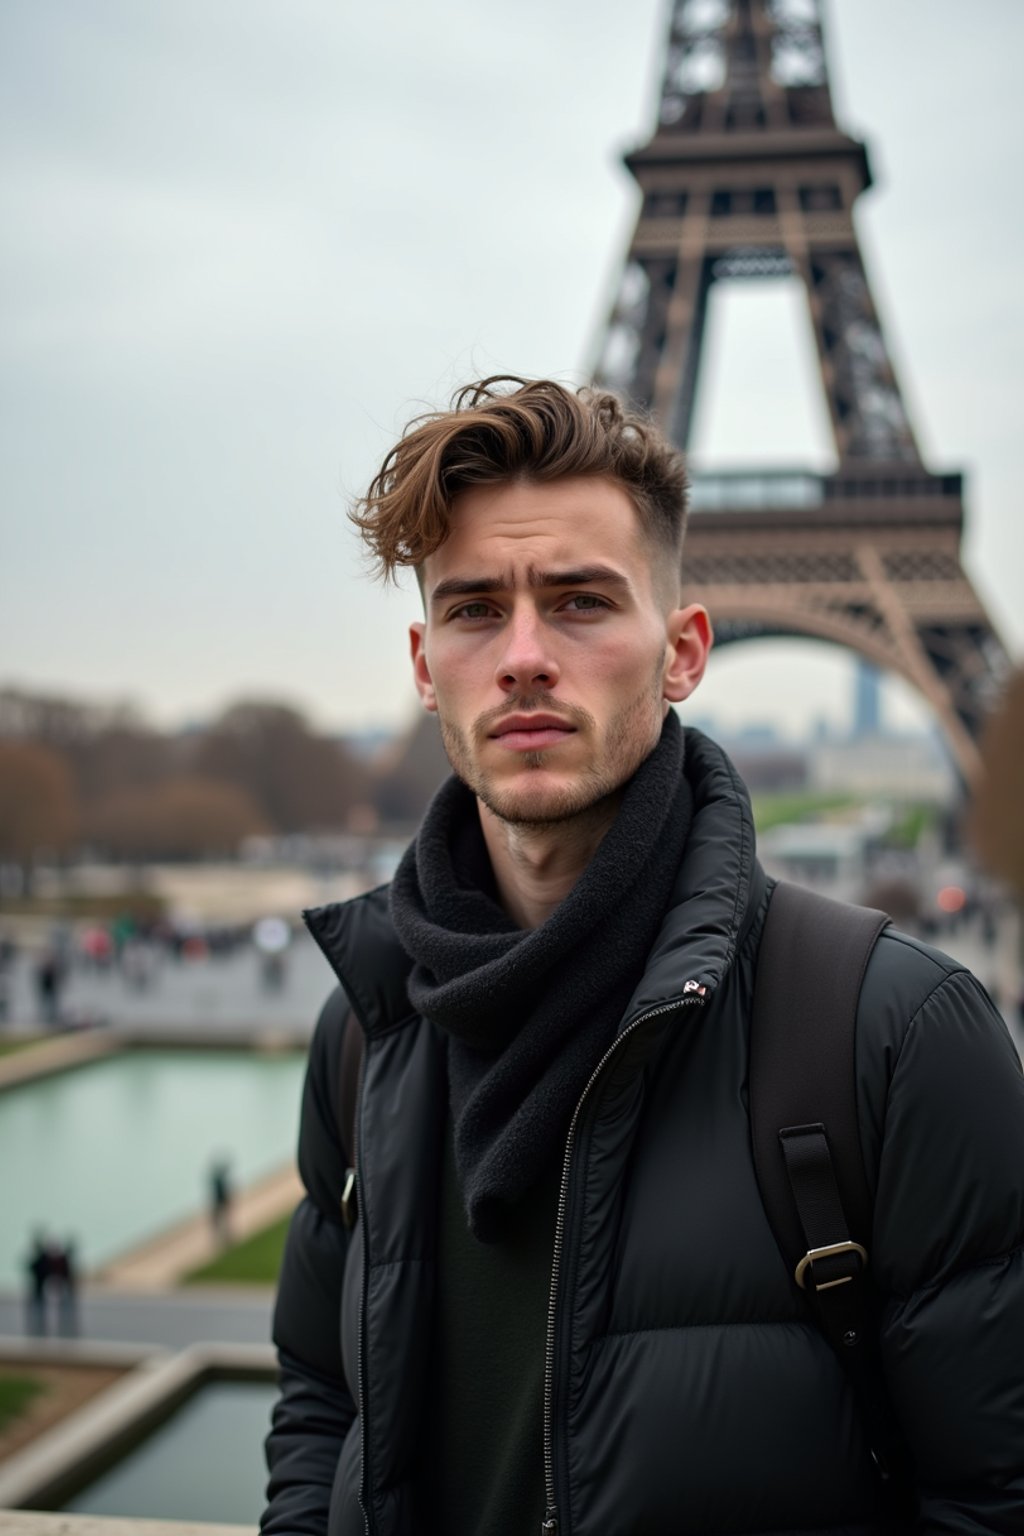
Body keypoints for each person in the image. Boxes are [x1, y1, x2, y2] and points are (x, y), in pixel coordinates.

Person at [262, 378, 1024, 1535]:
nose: (523, 655)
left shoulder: (900, 1040)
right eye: (474, 610)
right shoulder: (364, 1025)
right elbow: (320, 1395)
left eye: (578, 602)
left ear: (682, 651)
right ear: (424, 666)